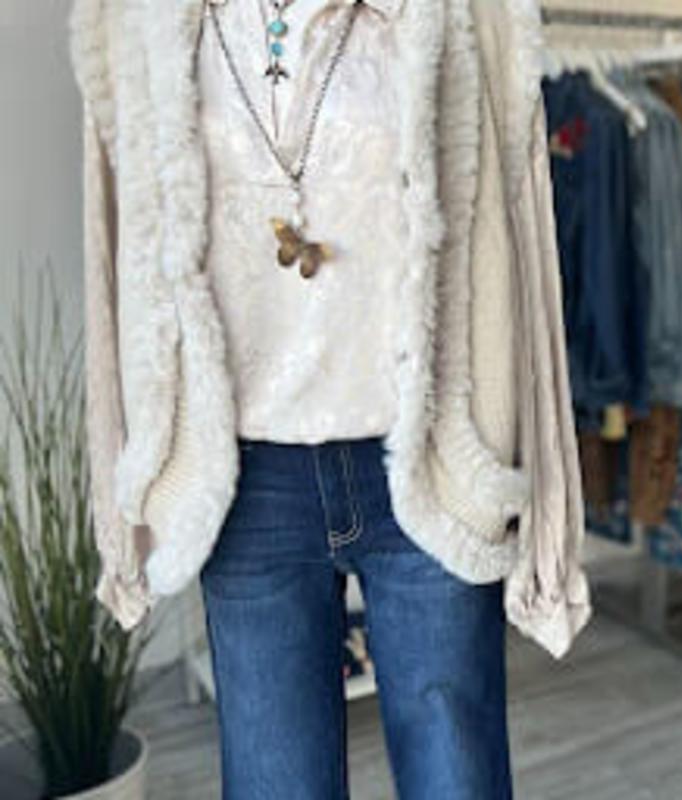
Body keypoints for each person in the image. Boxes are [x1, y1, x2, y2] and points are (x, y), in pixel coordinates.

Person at [68, 0, 592, 797]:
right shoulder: (137, 18)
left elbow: (523, 245)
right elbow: (117, 263)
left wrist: (550, 509)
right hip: (247, 486)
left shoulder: (459, 12)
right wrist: (122, 504)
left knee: (458, 776)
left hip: (426, 467)